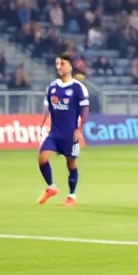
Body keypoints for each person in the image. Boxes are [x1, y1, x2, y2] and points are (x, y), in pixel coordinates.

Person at [37, 54, 89, 206]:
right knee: (42, 158)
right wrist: (43, 122)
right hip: (54, 133)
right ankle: (51, 187)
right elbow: (47, 107)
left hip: (70, 134)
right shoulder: (52, 86)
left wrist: (79, 130)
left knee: (71, 164)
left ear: (71, 66)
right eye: (57, 63)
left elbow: (84, 110)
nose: (59, 66)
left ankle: (71, 196)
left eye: (63, 63)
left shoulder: (78, 88)